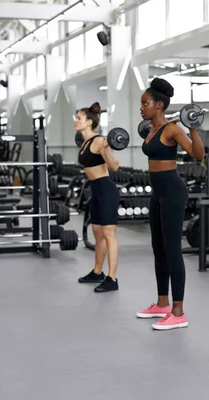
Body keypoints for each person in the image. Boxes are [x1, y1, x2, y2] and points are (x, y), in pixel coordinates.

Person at [136, 78, 205, 330]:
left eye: (145, 103)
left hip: (173, 191)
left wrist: (194, 127)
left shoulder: (173, 128)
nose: (141, 107)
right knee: (158, 247)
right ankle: (162, 302)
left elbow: (198, 155)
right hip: (157, 192)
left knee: (173, 249)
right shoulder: (151, 129)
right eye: (141, 103)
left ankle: (178, 311)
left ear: (160, 105)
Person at [75, 102, 121, 293]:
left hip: (106, 189)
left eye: (79, 118)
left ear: (89, 122)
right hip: (95, 190)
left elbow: (115, 166)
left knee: (109, 234)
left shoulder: (99, 141)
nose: (76, 121)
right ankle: (97, 271)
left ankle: (112, 278)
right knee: (97, 232)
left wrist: (107, 148)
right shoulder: (85, 142)